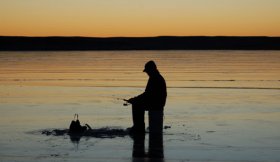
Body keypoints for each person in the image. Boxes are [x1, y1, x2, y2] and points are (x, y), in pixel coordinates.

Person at [127, 60, 167, 136]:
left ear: (152, 70)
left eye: (147, 71)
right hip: (158, 103)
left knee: (136, 105)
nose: (147, 73)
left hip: (156, 104)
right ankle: (139, 128)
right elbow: (148, 94)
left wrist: (135, 99)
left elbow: (147, 94)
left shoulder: (154, 78)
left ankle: (138, 128)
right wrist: (136, 99)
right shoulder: (157, 77)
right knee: (137, 103)